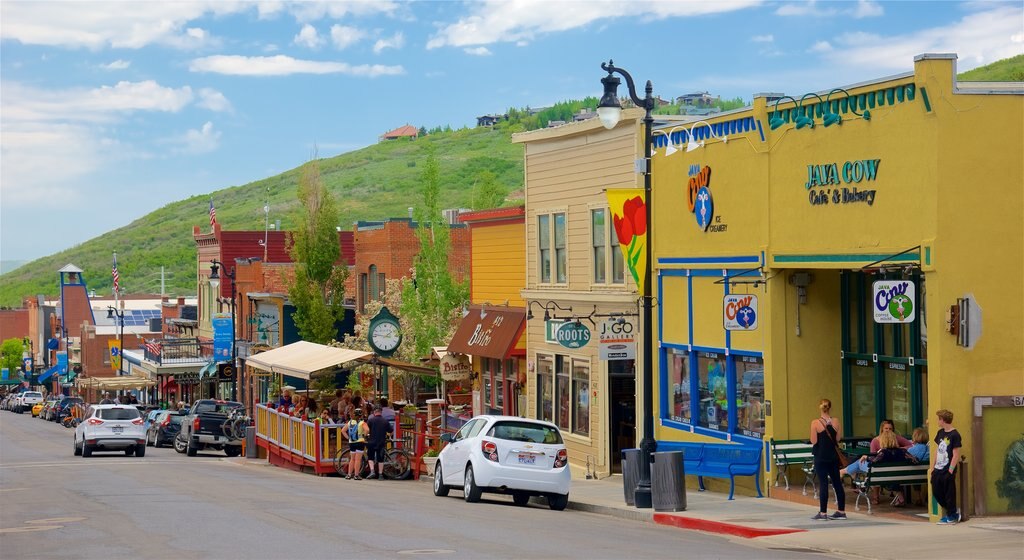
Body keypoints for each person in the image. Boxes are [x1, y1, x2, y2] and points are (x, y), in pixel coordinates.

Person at [810, 398, 847, 520]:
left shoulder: (815, 423)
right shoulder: (836, 421)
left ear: (819, 407)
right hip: (833, 456)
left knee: (823, 483)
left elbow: (814, 441)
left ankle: (823, 513)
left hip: (821, 456)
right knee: (837, 482)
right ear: (829, 407)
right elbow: (837, 439)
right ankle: (841, 511)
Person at [930, 408, 962, 524]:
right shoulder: (940, 433)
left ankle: (952, 515)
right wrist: (932, 467)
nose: (937, 422)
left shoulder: (955, 435)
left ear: (942, 420)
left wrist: (950, 471)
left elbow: (956, 454)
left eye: (938, 419)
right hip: (938, 469)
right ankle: (951, 512)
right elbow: (936, 451)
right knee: (936, 491)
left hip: (948, 469)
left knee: (949, 493)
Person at [365, 406, 391, 480]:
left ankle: (372, 471)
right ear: (381, 412)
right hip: (381, 442)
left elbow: (367, 430)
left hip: (371, 441)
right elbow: (391, 430)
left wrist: (366, 435)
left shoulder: (370, 420)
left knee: (370, 457)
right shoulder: (385, 421)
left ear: (374, 412)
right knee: (380, 458)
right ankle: (380, 474)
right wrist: (388, 436)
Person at [344, 409, 369, 480]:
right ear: (361, 415)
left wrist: (348, 438)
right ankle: (356, 475)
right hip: (360, 442)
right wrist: (365, 436)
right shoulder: (362, 423)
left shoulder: (350, 422)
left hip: (351, 442)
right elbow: (367, 430)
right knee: (358, 459)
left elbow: (343, 430)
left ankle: (349, 475)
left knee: (352, 459)